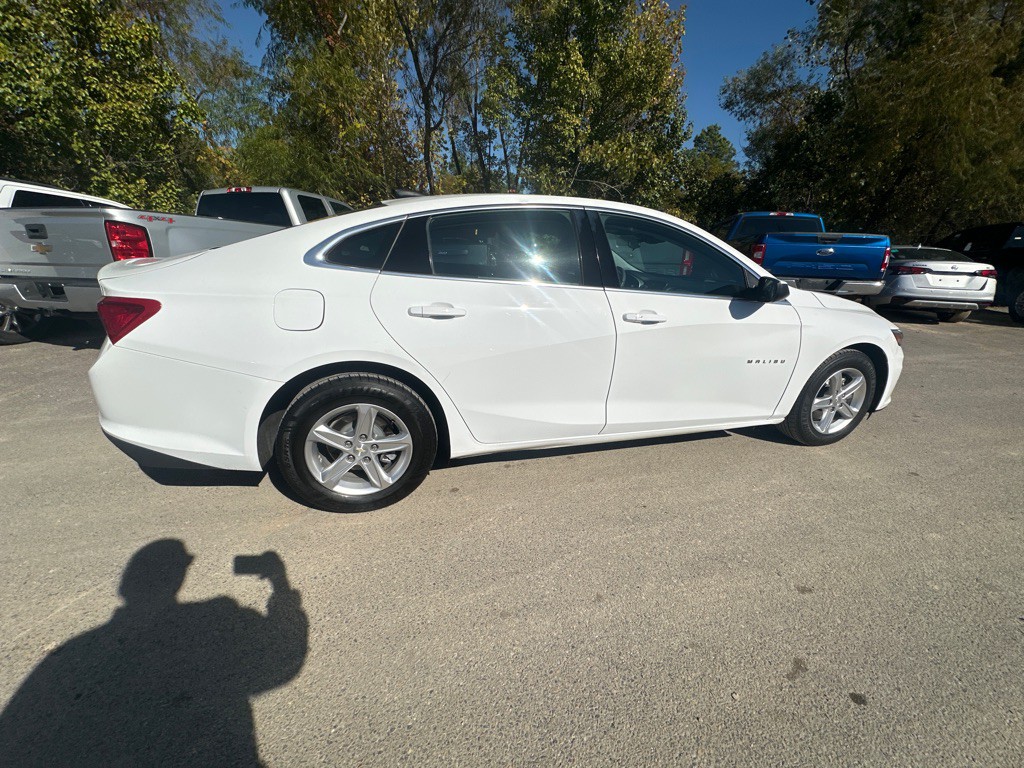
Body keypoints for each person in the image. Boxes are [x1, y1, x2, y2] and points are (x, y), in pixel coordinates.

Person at [0, 539, 308, 767]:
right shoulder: (217, 617)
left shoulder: (77, 648)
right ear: (179, 575)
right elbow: (282, 660)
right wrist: (281, 589)